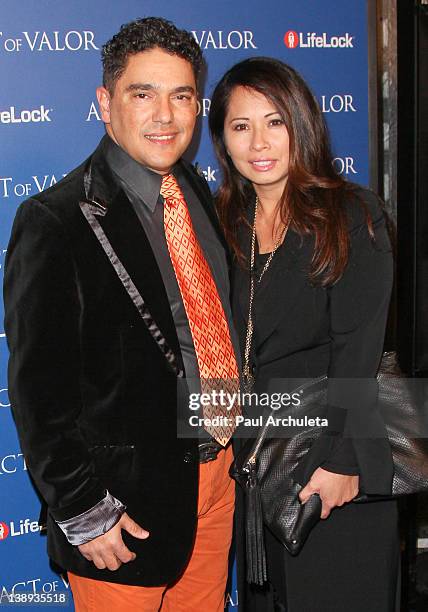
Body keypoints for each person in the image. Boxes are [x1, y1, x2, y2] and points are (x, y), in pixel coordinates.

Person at [3, 17, 241, 612]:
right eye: (144, 94)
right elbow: (38, 392)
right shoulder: (55, 219)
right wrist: (84, 510)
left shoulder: (193, 189)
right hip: (124, 510)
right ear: (106, 103)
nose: (165, 114)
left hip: (217, 482)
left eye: (181, 95)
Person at [209, 57, 400, 612]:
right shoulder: (227, 224)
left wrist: (340, 461)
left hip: (330, 466)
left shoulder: (351, 214)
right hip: (256, 466)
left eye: (276, 121)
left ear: (303, 125)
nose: (259, 142)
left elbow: (358, 352)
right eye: (240, 126)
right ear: (221, 138)